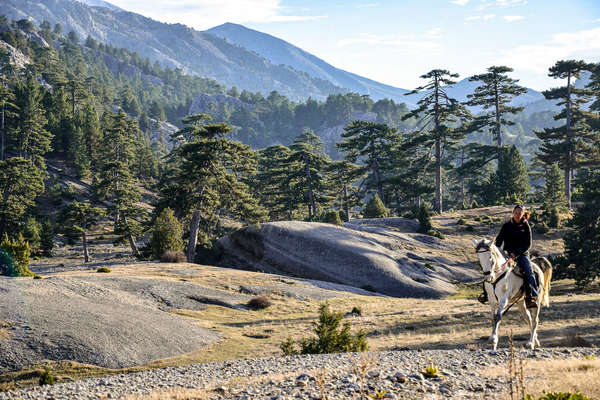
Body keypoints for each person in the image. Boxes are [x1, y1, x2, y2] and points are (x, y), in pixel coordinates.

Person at [478, 204, 538, 309]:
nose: (517, 215)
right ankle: (486, 294)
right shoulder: (506, 226)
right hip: (507, 253)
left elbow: (528, 244)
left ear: (523, 214)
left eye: (520, 213)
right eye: (516, 213)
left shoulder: (525, 226)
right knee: (489, 269)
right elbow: (499, 240)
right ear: (513, 213)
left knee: (529, 271)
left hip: (522, 254)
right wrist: (495, 251)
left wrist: (517, 253)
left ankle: (531, 296)